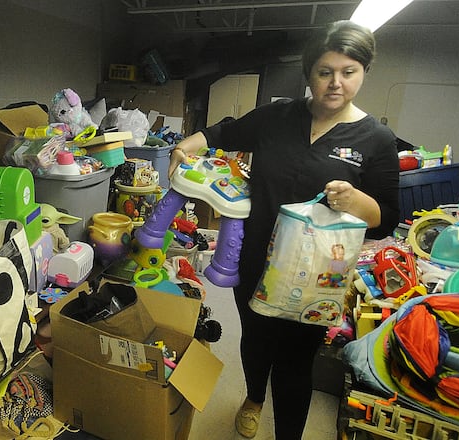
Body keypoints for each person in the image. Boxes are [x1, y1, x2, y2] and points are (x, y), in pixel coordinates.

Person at [168, 20, 400, 439]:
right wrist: (185, 146)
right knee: (256, 342)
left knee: (295, 362)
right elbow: (224, 131)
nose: (336, 83)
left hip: (317, 274)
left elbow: (387, 216)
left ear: (364, 72)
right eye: (325, 72)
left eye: (348, 72)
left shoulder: (377, 139)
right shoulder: (277, 117)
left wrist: (355, 200)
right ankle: (254, 397)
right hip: (256, 257)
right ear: (309, 73)